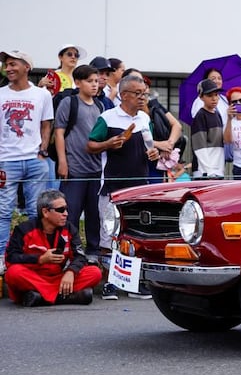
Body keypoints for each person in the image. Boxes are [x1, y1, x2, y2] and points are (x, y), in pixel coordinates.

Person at [87, 74, 159, 299]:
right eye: (138, 94)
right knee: (110, 235)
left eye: (144, 94)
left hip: (139, 186)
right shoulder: (107, 118)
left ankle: (134, 283)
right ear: (124, 94)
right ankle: (110, 282)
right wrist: (108, 143)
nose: (142, 98)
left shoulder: (144, 119)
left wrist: (154, 153)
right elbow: (90, 145)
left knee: (136, 235)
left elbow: (151, 147)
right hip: (112, 186)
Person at [0, 50, 54, 276]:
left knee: (36, 211)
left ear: (26, 67)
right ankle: (2, 256)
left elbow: (46, 125)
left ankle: (34, 253)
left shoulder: (42, 95)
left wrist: (42, 151)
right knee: (3, 210)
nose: (8, 68)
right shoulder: (0, 93)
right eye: (6, 65)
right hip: (6, 160)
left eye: (13, 64)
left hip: (34, 159)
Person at [4, 189, 102, 306]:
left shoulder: (69, 229)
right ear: (45, 212)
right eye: (60, 210)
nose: (66, 213)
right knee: (13, 273)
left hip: (59, 278)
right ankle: (67, 297)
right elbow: (11, 258)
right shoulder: (23, 230)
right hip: (33, 278)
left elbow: (80, 256)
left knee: (95, 272)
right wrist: (40, 259)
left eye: (66, 209)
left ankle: (40, 297)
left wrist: (71, 272)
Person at [53, 64, 104, 264]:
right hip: (74, 169)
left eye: (96, 81)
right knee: (69, 213)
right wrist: (62, 162)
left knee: (94, 214)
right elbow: (59, 132)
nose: (94, 85)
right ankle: (68, 251)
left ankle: (92, 252)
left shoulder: (100, 105)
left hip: (96, 169)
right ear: (78, 82)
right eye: (90, 81)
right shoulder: (69, 103)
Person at [191, 78, 225, 179]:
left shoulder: (217, 114)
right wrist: (209, 171)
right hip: (205, 172)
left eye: (216, 95)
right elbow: (199, 147)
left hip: (217, 169)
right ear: (201, 97)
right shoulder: (200, 116)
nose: (214, 98)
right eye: (210, 95)